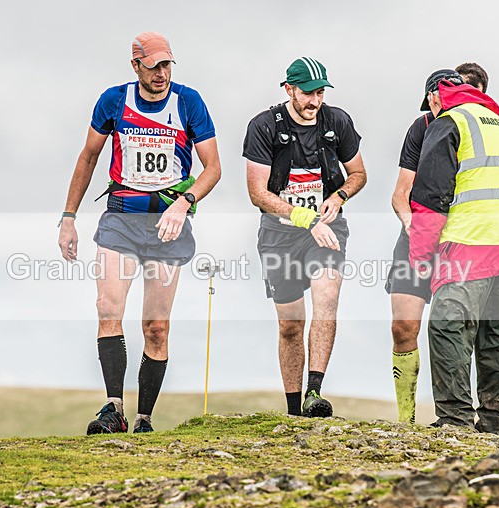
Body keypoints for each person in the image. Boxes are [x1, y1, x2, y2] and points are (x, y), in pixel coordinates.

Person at [58, 32, 221, 434]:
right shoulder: (114, 100)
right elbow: (88, 156)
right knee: (107, 308)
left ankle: (144, 418)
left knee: (156, 326)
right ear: (136, 66)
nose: (161, 73)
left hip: (168, 224)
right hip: (121, 219)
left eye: (167, 65)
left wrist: (184, 203)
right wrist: (68, 217)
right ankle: (113, 409)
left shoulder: (189, 102)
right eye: (153, 66)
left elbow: (213, 168)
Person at [408, 71, 499, 435]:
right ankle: (498, 425)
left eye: (431, 105)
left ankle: (455, 422)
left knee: (447, 326)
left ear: (435, 97)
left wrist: (421, 258)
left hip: (469, 243)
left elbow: (430, 198)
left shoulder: (448, 123)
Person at [243, 57, 367, 417]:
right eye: (308, 93)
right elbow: (257, 193)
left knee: (326, 297)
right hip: (279, 235)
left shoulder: (337, 121)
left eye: (320, 93)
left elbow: (358, 174)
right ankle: (293, 410)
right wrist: (305, 218)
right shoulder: (264, 126)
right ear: (289, 90)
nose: (315, 101)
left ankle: (315, 392)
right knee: (290, 325)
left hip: (326, 231)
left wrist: (338, 197)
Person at [386, 65, 490, 424]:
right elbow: (400, 193)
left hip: (460, 241)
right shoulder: (421, 127)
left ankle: (461, 415)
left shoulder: (478, 128)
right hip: (417, 233)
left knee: (459, 331)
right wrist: (411, 224)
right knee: (403, 327)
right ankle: (406, 421)